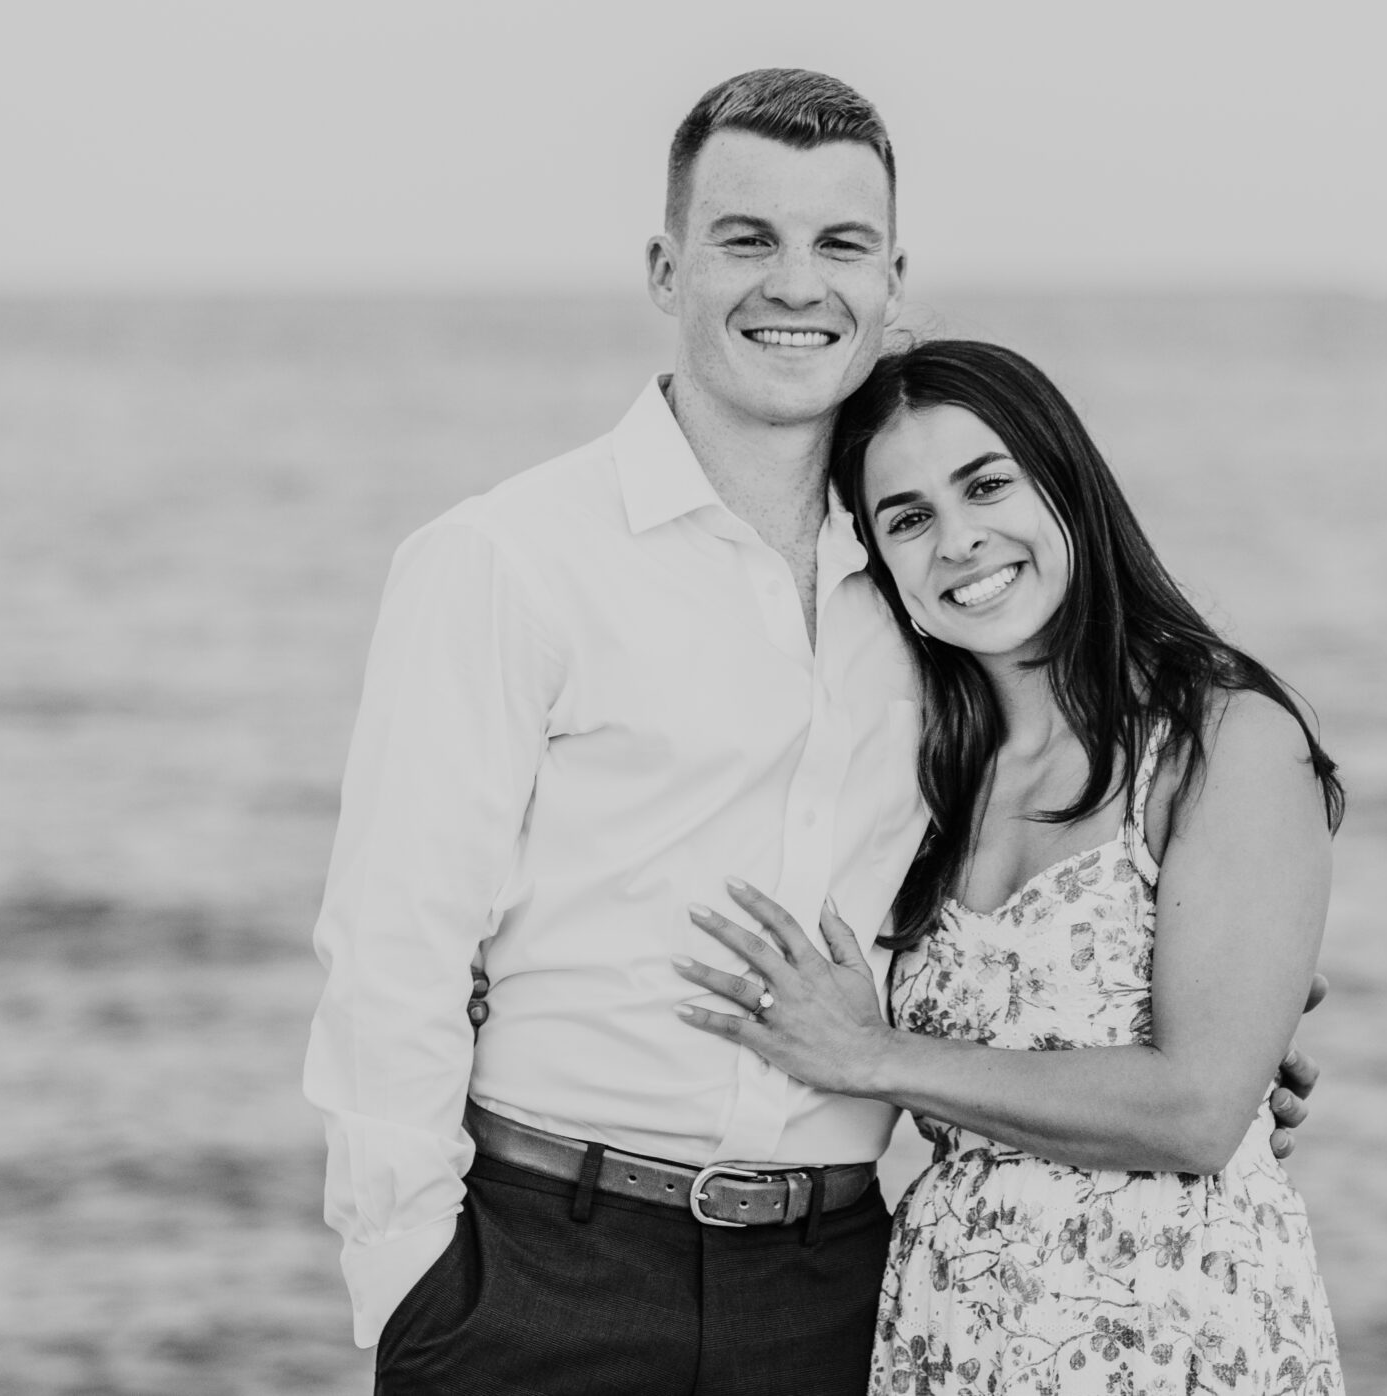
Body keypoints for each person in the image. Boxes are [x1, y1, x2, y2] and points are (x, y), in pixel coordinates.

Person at [304, 69, 1321, 1396]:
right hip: (546, 1272)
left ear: (893, 281)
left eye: (840, 244)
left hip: (843, 1292)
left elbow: (1051, 878)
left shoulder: (935, 598)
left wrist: (1216, 1030)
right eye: (747, 239)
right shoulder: (506, 564)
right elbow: (394, 957)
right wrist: (411, 1301)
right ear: (667, 269)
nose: (797, 284)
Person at [672, 339, 1345, 1394]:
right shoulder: (922, 779)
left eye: (985, 484)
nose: (959, 541)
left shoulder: (1225, 739)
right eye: (907, 518)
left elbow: (1200, 1109)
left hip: (1174, 1337)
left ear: (1063, 480)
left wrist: (875, 1053)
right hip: (953, 1335)